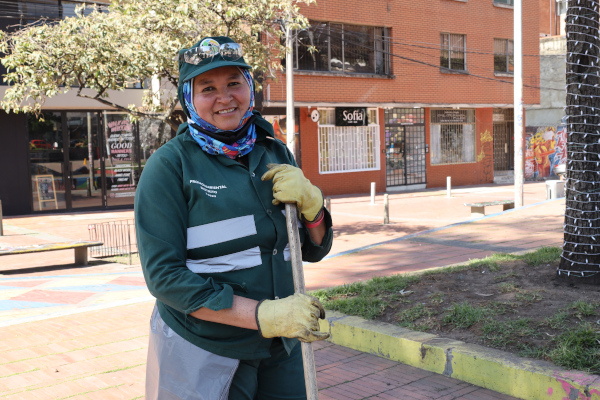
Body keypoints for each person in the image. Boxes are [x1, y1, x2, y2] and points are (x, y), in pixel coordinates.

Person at [134, 36, 333, 400]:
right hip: (207, 348)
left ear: (249, 87)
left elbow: (311, 249)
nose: (224, 98)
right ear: (188, 98)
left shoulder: (273, 151)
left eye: (233, 83)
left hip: (281, 347)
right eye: (208, 88)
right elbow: (164, 277)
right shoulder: (169, 166)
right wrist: (263, 315)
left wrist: (314, 207)